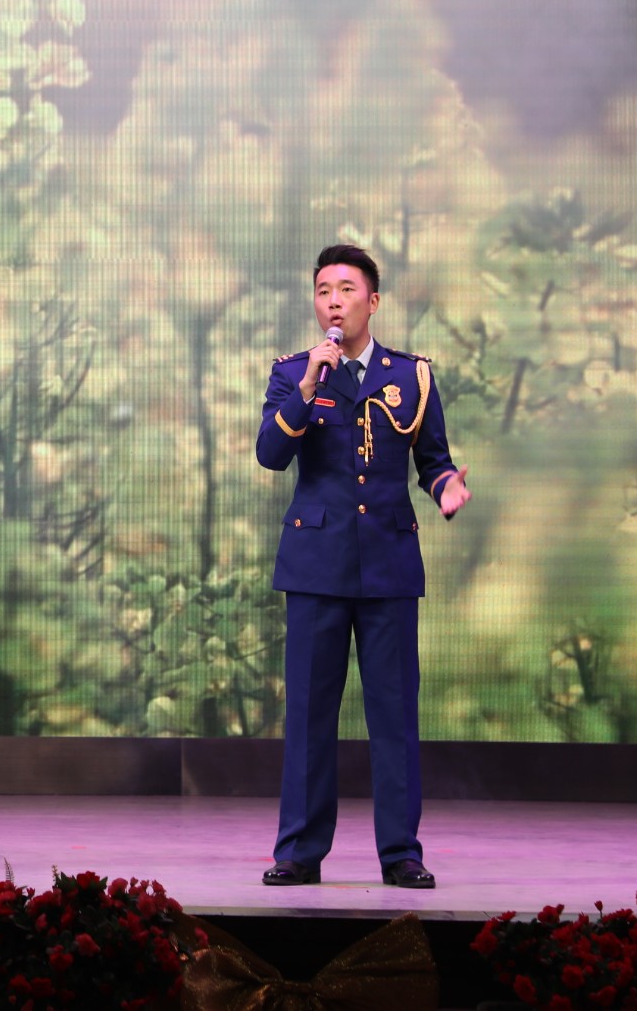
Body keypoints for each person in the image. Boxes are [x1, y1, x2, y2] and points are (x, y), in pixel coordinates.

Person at [255, 244, 472, 890]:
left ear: (372, 301)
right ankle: (299, 851)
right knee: (309, 716)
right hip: (315, 566)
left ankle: (401, 852)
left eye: (346, 289)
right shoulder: (294, 372)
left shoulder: (412, 376)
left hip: (388, 566)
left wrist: (446, 489)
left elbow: (433, 460)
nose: (334, 301)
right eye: (324, 290)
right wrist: (307, 389)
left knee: (394, 716)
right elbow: (271, 453)